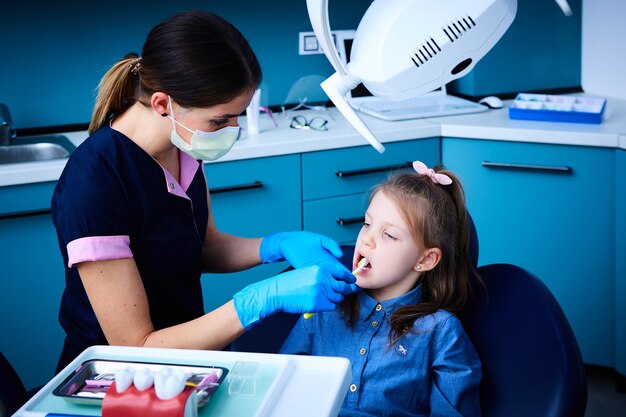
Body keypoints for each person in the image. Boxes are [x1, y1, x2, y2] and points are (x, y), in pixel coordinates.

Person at [51, 10, 356, 372]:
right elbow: (136, 346)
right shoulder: (95, 183)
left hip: (186, 361)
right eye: (221, 119)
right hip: (117, 379)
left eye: (238, 115)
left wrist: (276, 244)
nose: (233, 129)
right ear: (163, 104)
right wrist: (258, 301)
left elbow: (203, 247)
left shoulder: (183, 147)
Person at [280, 161, 482, 417]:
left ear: (425, 259)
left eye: (389, 235)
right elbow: (282, 386)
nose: (367, 239)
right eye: (367, 224)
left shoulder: (441, 332)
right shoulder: (325, 306)